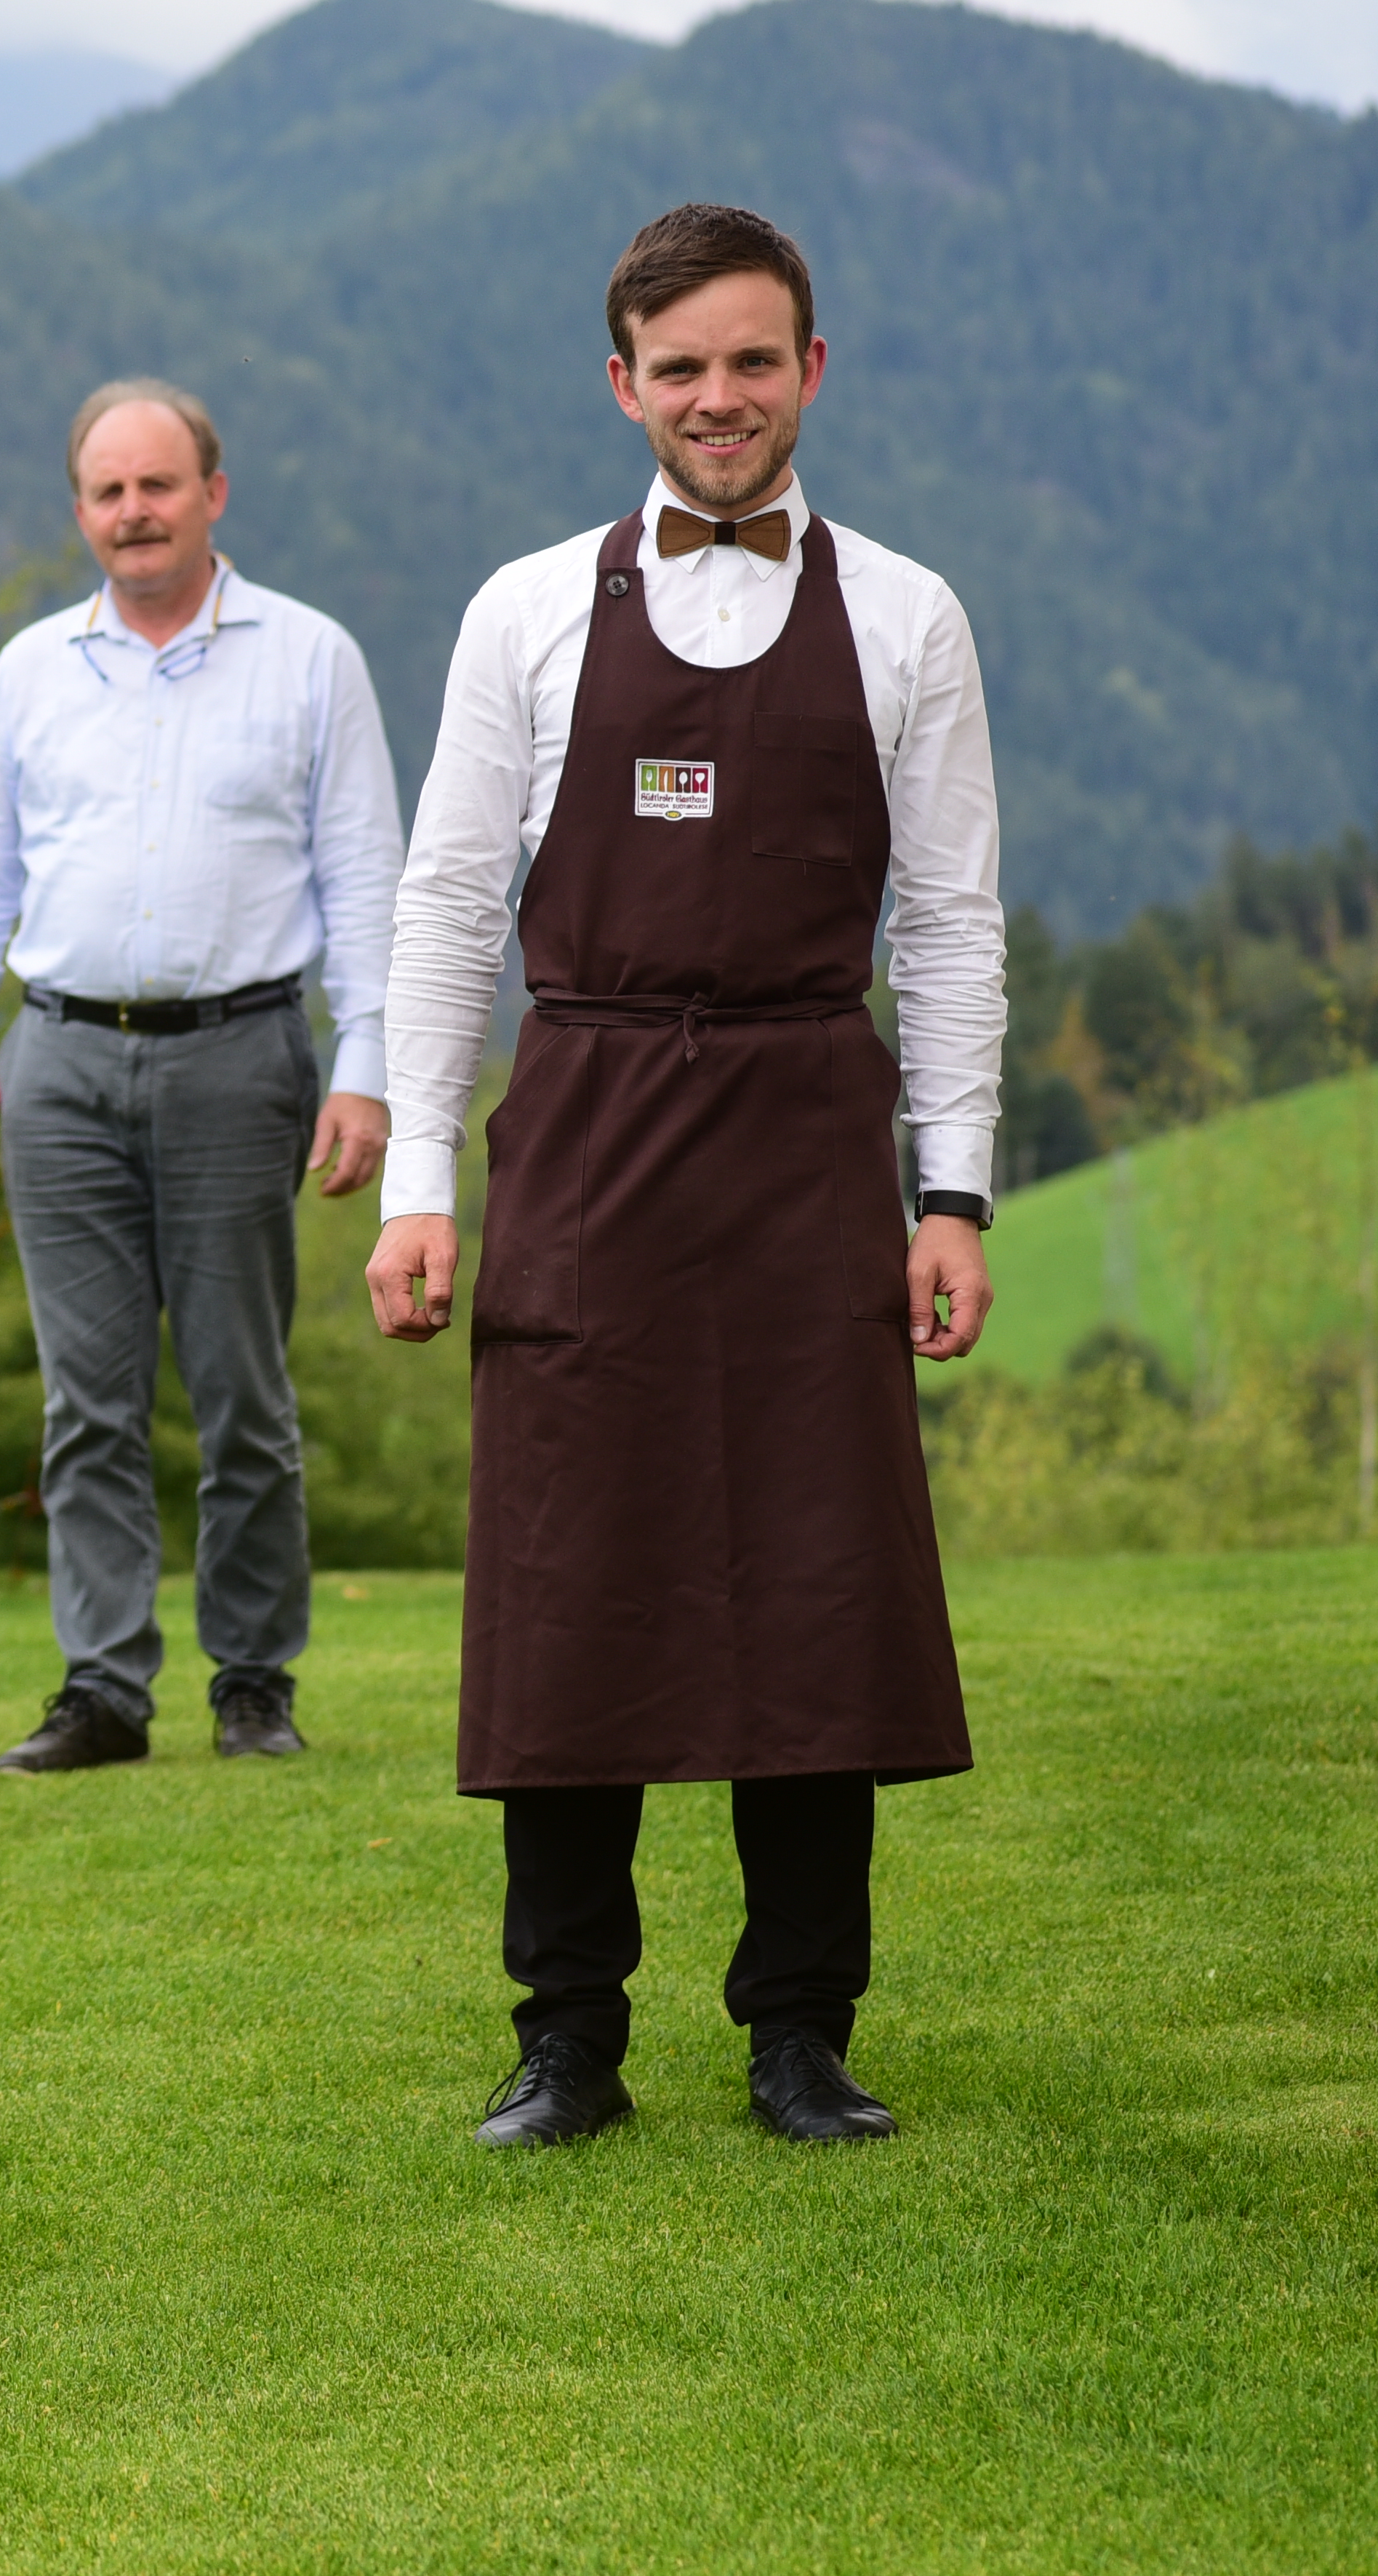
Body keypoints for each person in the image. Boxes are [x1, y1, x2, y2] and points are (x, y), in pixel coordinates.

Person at [366, 201, 1002, 2151]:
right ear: (620, 383)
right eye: (679, 367)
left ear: (809, 369)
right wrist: (416, 1177)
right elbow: (446, 905)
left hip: (813, 1134)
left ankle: (801, 2031)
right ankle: (566, 2038)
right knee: (571, 1587)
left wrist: (952, 1191)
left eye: (749, 361)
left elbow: (950, 926)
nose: (716, 399)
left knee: (817, 1584)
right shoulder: (522, 612)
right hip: (588, 1123)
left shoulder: (908, 617)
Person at [0, 379, 404, 1772]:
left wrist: (367, 1068)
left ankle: (253, 1683)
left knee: (242, 1393)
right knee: (88, 1403)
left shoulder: (309, 659)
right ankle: (104, 1691)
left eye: (158, 485)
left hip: (241, 1058)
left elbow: (366, 879)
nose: (135, 512)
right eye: (109, 491)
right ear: (81, 512)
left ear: (212, 495)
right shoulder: (33, 671)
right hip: (58, 1061)